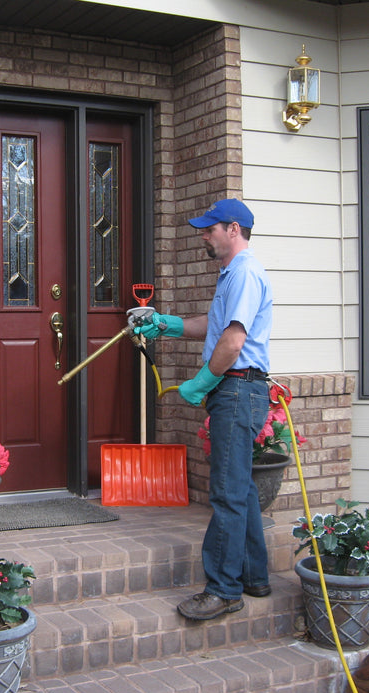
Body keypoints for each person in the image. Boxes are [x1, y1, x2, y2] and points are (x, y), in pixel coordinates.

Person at [136, 198, 273, 621]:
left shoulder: (246, 273)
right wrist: (166, 324)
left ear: (233, 229)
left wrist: (203, 382)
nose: (204, 235)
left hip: (237, 391)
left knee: (227, 494)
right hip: (236, 392)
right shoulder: (231, 275)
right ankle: (254, 576)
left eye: (210, 228)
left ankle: (223, 590)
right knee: (242, 490)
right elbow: (214, 327)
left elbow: (232, 343)